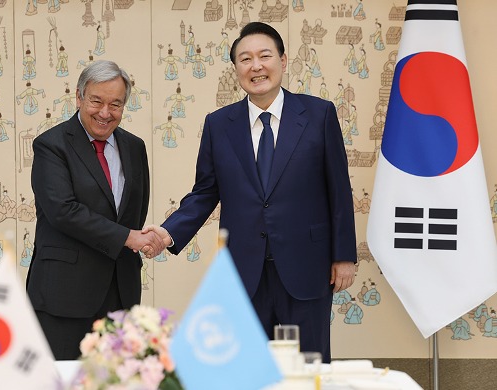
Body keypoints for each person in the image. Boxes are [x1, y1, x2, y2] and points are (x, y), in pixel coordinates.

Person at [144, 22, 356, 362]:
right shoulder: (219, 124)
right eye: (245, 59)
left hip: (307, 268)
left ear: (283, 61)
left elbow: (339, 190)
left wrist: (344, 256)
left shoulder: (319, 115)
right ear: (236, 70)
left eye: (264, 56)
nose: (256, 66)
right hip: (244, 272)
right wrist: (168, 232)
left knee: (307, 366)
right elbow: (204, 192)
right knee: (246, 369)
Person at [26, 60, 164, 360]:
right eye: (97, 101)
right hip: (64, 296)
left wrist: (138, 237)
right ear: (79, 97)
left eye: (115, 104)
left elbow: (134, 211)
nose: (105, 113)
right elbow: (63, 210)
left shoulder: (135, 147)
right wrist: (128, 238)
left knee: (119, 379)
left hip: (120, 291)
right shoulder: (51, 145)